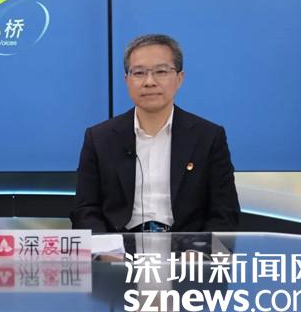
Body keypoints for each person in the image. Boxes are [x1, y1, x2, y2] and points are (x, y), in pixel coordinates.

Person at [71, 34, 240, 233]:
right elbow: (85, 210)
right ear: (126, 80)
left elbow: (225, 211)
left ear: (179, 78)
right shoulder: (100, 138)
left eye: (161, 71)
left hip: (186, 247)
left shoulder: (208, 137)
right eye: (139, 73)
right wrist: (107, 247)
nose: (149, 82)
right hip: (119, 247)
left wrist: (197, 247)